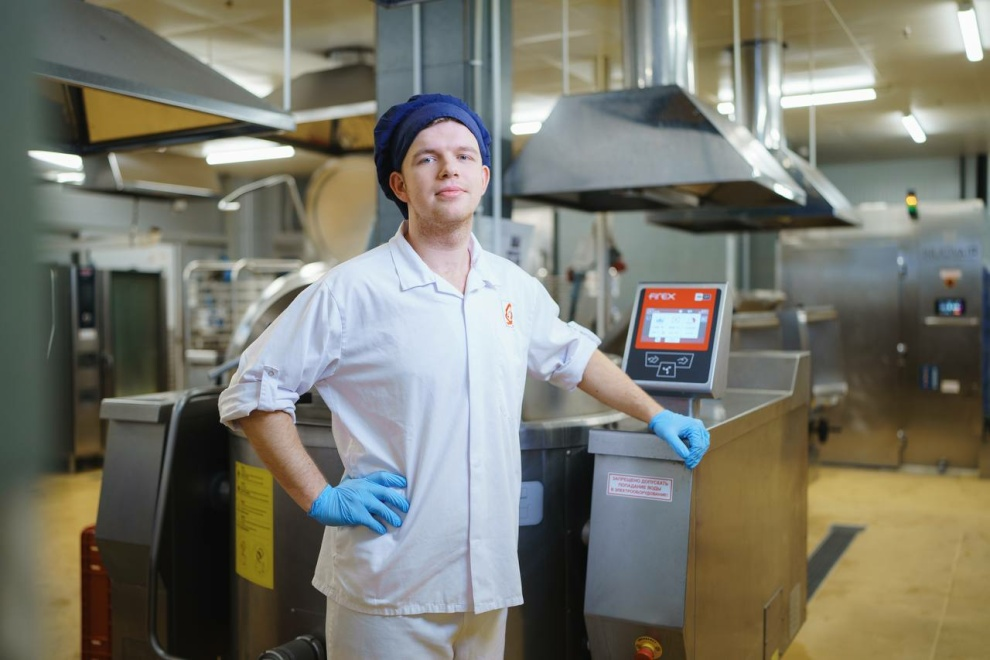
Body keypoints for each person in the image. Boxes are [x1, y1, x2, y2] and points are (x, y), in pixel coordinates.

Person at [218, 93, 709, 659]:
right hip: (389, 587)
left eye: (463, 156)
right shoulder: (352, 291)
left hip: (486, 583)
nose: (448, 168)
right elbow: (253, 392)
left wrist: (657, 414)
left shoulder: (510, 286)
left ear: (483, 178)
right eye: (426, 158)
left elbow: (573, 355)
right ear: (400, 185)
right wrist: (320, 497)